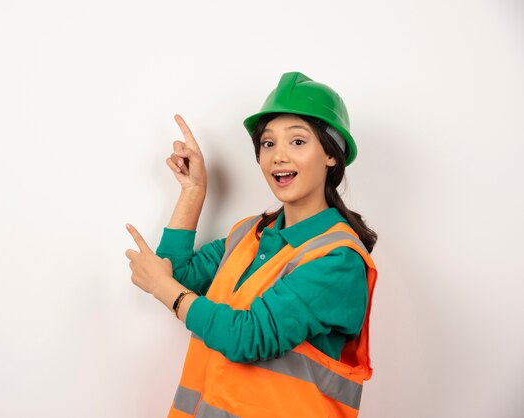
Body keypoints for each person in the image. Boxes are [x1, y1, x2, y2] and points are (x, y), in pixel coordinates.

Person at [125, 72, 378, 418]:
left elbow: (248, 336)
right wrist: (193, 191)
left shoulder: (338, 260)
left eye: (298, 142)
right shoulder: (250, 234)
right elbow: (175, 274)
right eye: (268, 143)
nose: (278, 156)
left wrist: (164, 289)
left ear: (332, 154)